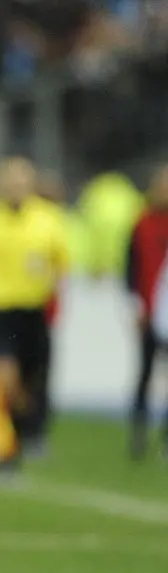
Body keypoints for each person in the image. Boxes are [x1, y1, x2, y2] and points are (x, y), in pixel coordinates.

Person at [0, 157, 69, 472]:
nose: (15, 188)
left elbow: (61, 266)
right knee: (6, 383)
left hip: (33, 313)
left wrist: (52, 302)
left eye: (21, 182)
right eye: (10, 182)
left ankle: (21, 438)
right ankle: (6, 450)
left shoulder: (47, 219)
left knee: (30, 385)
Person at [126, 163, 168, 459]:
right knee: (145, 373)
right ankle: (138, 434)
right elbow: (130, 267)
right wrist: (135, 304)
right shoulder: (142, 222)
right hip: (148, 310)